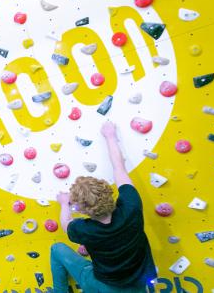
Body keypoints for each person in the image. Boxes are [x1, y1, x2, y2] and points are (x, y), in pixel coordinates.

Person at [51, 121, 157, 292]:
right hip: (137, 283)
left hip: (103, 286)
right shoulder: (131, 206)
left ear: (83, 210)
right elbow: (119, 168)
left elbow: (66, 223)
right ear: (107, 191)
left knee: (56, 249)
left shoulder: (84, 230)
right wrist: (110, 136)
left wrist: (64, 203)